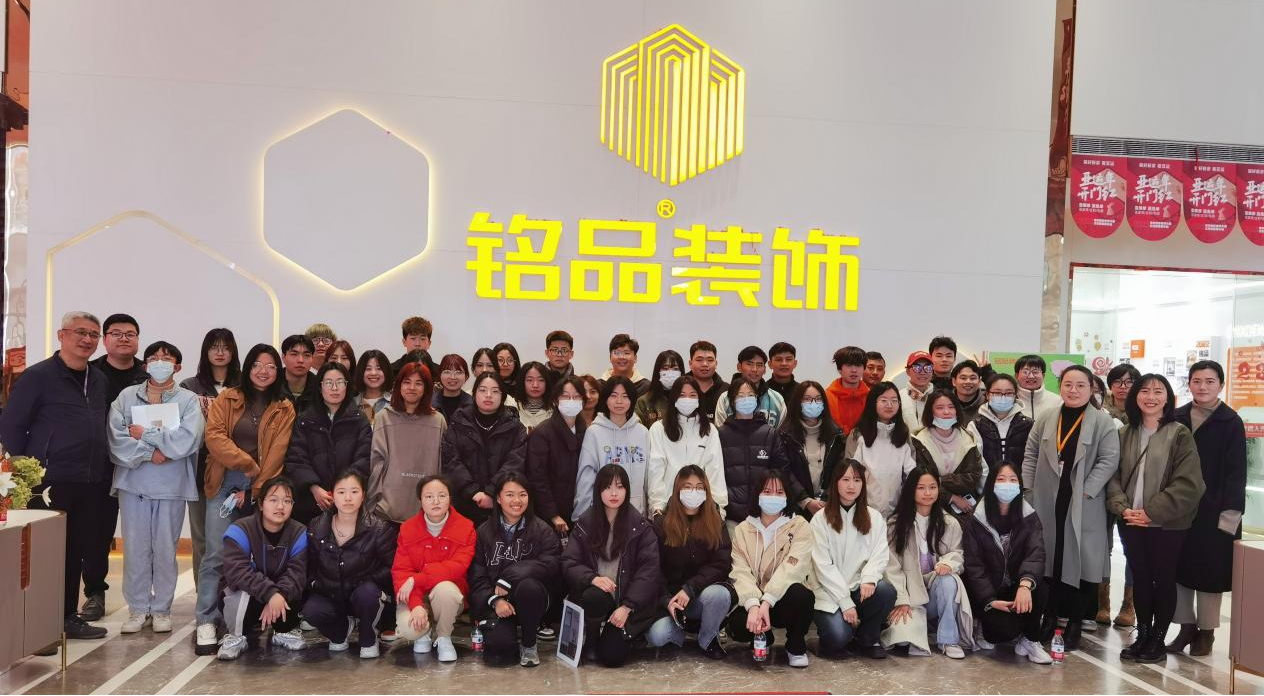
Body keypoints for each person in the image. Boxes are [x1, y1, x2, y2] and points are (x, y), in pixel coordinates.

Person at [0, 311, 111, 639]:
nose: (87, 339)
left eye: (93, 334)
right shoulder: (38, 376)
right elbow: (12, 425)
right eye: (80, 332)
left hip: (89, 480)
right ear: (62, 335)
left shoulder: (99, 379)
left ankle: (66, 618)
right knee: (43, 553)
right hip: (47, 482)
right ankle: (38, 624)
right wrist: (28, 469)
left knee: (74, 551)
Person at [194, 344, 296, 655]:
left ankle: (245, 617)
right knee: (215, 552)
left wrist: (255, 491)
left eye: (271, 366)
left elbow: (277, 454)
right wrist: (246, 464)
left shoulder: (284, 407)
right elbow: (214, 438)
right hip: (224, 481)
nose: (263, 371)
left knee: (257, 555)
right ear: (248, 367)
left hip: (263, 486)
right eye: (257, 365)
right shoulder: (227, 398)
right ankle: (206, 620)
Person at [107, 341, 205, 634]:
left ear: (177, 366)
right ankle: (138, 609)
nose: (160, 362)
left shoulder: (188, 400)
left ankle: (162, 609)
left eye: (167, 358)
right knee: (135, 548)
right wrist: (151, 452)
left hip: (171, 485)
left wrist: (147, 435)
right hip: (133, 483)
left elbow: (188, 439)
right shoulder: (126, 397)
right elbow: (117, 438)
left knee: (165, 548)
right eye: (153, 358)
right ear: (145, 364)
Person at [1107, 374, 1204, 663]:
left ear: (1167, 398)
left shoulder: (1180, 434)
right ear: (1135, 396)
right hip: (1131, 520)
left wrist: (1151, 512)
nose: (1151, 397)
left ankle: (1158, 640)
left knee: (1163, 579)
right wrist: (1123, 508)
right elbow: (1112, 476)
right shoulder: (1125, 433)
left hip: (1167, 524)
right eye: (1145, 391)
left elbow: (1189, 483)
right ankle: (1144, 635)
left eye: (1158, 391)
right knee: (1140, 578)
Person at [1021, 364, 1119, 651]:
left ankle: (1076, 621)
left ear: (1091, 389)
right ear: (1060, 386)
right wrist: (1029, 490)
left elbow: (1109, 459)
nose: (1073, 390)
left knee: (1084, 562)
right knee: (1051, 560)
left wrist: (1087, 490)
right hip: (1048, 499)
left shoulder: (1102, 421)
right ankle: (1050, 616)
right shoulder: (1047, 417)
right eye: (1068, 385)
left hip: (1085, 503)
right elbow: (1031, 453)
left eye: (1080, 385)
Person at [1168, 360, 1246, 656]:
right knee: (1179, 568)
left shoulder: (1230, 421)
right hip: (1178, 507)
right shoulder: (1176, 417)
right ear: (1189, 383)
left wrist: (1229, 517)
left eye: (1210, 381)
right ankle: (1185, 626)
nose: (1203, 387)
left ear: (1221, 385)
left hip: (1215, 511)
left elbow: (1237, 473)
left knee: (1211, 572)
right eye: (1197, 381)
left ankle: (1207, 631)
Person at [84, 312, 149, 622]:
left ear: (137, 339)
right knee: (97, 531)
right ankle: (95, 592)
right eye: (117, 333)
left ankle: (147, 596)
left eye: (130, 334)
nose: (124, 338)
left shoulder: (150, 374)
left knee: (145, 533)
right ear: (105, 339)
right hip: (100, 464)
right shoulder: (89, 372)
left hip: (141, 465)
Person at [563, 464, 660, 667]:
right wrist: (592, 578)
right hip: (597, 597)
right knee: (593, 596)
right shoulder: (585, 523)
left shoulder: (641, 527)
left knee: (612, 658)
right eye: (607, 487)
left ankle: (627, 637)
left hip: (627, 603)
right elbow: (569, 562)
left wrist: (627, 607)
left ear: (627, 490)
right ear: (598, 491)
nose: (614, 493)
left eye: (620, 487)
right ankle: (591, 640)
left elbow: (648, 573)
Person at [960, 463, 1052, 664]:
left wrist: (1025, 585)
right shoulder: (976, 519)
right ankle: (986, 627)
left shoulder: (1029, 516)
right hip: (989, 592)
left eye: (1013, 480)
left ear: (1019, 485)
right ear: (991, 484)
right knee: (1002, 632)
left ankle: (1030, 640)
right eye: (1001, 479)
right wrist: (989, 600)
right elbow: (974, 566)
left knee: (1041, 587)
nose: (1007, 484)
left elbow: (1036, 554)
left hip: (1015, 586)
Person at [468, 470, 561, 668]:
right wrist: (495, 600)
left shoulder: (542, 530)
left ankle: (529, 643)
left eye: (522, 494)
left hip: (531, 599)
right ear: (498, 499)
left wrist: (510, 576)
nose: (517, 500)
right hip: (498, 602)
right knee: (499, 651)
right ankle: (505, 633)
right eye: (510, 494)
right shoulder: (483, 532)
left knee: (529, 587)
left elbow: (552, 563)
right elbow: (477, 575)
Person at [214, 475, 309, 661]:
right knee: (237, 591)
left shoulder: (300, 532)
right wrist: (270, 594)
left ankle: (284, 630)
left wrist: (278, 595)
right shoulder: (240, 529)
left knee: (297, 587)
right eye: (273, 500)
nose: (280, 506)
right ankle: (235, 635)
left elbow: (297, 573)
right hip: (249, 599)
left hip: (280, 600)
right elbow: (238, 573)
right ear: (260, 504)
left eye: (287, 501)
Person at [881, 467, 974, 659]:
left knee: (949, 580)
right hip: (909, 596)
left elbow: (958, 553)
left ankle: (948, 640)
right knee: (903, 641)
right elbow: (891, 567)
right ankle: (922, 628)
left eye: (932, 487)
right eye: (921, 488)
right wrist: (901, 600)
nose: (928, 493)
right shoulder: (895, 525)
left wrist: (948, 564)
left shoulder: (950, 523)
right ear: (911, 490)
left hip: (935, 592)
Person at [303, 470, 396, 658]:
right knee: (311, 611)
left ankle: (369, 637)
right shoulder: (316, 526)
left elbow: (391, 567)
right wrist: (315, 583)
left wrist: (366, 580)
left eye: (354, 491)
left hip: (363, 595)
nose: (348, 498)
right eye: (341, 492)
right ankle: (341, 631)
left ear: (363, 495)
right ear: (332, 495)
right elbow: (309, 565)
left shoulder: (379, 529)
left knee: (368, 594)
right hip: (330, 593)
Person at [729, 469, 817, 666]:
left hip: (781, 599)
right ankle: (763, 637)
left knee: (802, 596)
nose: (773, 497)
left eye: (779, 492)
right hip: (755, 597)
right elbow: (740, 571)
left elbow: (793, 568)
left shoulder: (799, 525)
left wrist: (767, 601)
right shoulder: (742, 529)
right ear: (757, 494)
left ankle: (795, 645)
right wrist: (754, 604)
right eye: (767, 491)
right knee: (737, 625)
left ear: (787, 496)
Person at [810, 461, 896, 661]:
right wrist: (844, 601)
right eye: (846, 479)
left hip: (859, 588)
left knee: (885, 591)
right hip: (829, 593)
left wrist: (869, 579)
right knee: (838, 637)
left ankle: (868, 639)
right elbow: (822, 566)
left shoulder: (874, 517)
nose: (851, 486)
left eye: (857, 480)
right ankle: (838, 634)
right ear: (836, 483)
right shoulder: (820, 519)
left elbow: (879, 554)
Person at [645, 466, 734, 658]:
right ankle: (679, 632)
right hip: (672, 603)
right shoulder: (662, 523)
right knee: (657, 636)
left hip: (701, 597)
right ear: (678, 489)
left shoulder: (715, 521)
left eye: (699, 487)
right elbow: (653, 569)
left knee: (720, 594)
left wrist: (691, 588)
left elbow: (722, 562)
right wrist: (666, 600)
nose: (694, 492)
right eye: (687, 487)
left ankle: (708, 638)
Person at [180, 328, 241, 593]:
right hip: (199, 472)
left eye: (225, 347)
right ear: (205, 351)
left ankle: (232, 596)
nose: (220, 352)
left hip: (237, 472)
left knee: (235, 538)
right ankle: (204, 597)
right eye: (214, 347)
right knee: (202, 539)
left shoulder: (244, 385)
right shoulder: (189, 387)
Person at [392, 474, 475, 663]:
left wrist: (416, 579)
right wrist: (416, 605)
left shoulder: (466, 528)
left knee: (446, 589)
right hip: (416, 594)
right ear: (420, 500)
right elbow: (401, 572)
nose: (436, 501)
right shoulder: (407, 529)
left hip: (447, 596)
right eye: (429, 496)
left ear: (450, 498)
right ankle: (424, 632)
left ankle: (444, 637)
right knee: (409, 630)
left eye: (442, 495)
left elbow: (456, 568)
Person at [285, 362, 372, 526]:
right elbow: (296, 458)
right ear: (320, 387)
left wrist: (342, 490)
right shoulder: (305, 419)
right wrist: (314, 487)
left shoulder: (359, 420)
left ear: (347, 386)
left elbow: (364, 458)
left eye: (340, 382)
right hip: (310, 502)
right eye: (328, 383)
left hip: (348, 501)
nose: (334, 388)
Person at [441, 372, 529, 525]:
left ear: (503, 396)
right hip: (462, 503)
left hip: (502, 504)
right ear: (474, 394)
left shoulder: (515, 428)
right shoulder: (458, 422)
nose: (488, 395)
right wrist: (473, 492)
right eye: (482, 390)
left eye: (495, 391)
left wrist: (491, 493)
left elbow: (515, 463)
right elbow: (451, 461)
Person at [368, 362, 447, 524]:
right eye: (407, 382)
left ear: (427, 388)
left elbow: (443, 465)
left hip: (427, 512)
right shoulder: (383, 417)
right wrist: (373, 501)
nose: (412, 387)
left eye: (419, 383)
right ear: (398, 385)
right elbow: (376, 462)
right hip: (387, 510)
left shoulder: (438, 421)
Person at [646, 376, 726, 518]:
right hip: (668, 509)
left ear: (699, 399)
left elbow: (715, 470)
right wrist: (657, 508)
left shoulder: (709, 430)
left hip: (702, 507)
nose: (687, 399)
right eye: (682, 395)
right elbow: (655, 470)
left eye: (692, 395)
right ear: (674, 399)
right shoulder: (658, 429)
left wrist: (719, 509)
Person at [719, 377, 792, 530]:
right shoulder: (721, 434)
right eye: (741, 396)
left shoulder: (770, 434)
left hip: (765, 515)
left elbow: (782, 471)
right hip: (731, 516)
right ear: (732, 401)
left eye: (751, 395)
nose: (746, 399)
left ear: (757, 399)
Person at [574, 376, 650, 517]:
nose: (619, 401)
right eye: (613, 396)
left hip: (637, 513)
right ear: (606, 398)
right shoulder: (594, 432)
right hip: (603, 513)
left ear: (632, 399)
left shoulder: (642, 432)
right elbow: (586, 476)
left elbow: (648, 476)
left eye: (625, 396)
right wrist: (582, 515)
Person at [838, 382, 916, 519]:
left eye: (894, 401)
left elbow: (912, 474)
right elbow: (850, 473)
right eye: (884, 400)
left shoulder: (903, 433)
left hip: (897, 513)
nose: (889, 405)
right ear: (872, 403)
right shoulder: (858, 434)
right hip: (863, 511)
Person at [526, 376, 588, 536]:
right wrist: (552, 514)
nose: (571, 401)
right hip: (551, 514)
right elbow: (537, 478)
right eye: (565, 396)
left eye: (576, 397)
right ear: (555, 400)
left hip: (582, 510)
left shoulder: (588, 432)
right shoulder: (542, 433)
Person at [910, 390, 984, 515]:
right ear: (930, 411)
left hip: (964, 505)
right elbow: (920, 480)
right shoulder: (919, 441)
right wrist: (951, 497)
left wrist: (940, 481)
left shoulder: (968, 438)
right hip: (928, 505)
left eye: (951, 407)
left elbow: (973, 476)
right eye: (940, 408)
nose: (946, 412)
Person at [780, 380, 841, 518]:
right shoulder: (785, 435)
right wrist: (805, 500)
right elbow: (784, 470)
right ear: (798, 402)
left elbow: (839, 470)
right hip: (795, 508)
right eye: (807, 399)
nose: (813, 403)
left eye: (818, 399)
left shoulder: (835, 435)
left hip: (828, 507)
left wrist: (826, 498)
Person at [974, 374, 1033, 478]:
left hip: (1020, 484)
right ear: (987, 395)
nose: (1003, 397)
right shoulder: (975, 425)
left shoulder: (1029, 425)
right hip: (986, 484)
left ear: (1015, 395)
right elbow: (976, 462)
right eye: (997, 393)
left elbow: (1032, 460)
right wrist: (987, 485)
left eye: (1009, 393)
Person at [715, 346, 787, 427]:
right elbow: (721, 431)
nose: (754, 369)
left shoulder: (777, 399)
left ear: (764, 369)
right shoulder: (725, 398)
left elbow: (781, 431)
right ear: (739, 367)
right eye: (749, 364)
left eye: (759, 365)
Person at [633, 349, 685, 428]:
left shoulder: (688, 399)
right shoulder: (643, 402)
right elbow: (638, 430)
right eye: (665, 368)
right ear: (658, 371)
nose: (670, 373)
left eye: (675, 369)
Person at [825, 346, 869, 434]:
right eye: (849, 365)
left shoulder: (871, 396)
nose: (854, 370)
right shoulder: (826, 396)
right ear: (839, 369)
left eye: (858, 365)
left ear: (864, 368)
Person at [686, 341, 728, 422]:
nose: (705, 364)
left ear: (716, 363)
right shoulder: (679, 388)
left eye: (710, 360)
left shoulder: (727, 390)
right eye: (699, 360)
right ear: (690, 364)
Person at [1014, 355, 1063, 424]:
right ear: (1016, 376)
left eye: (1035, 372)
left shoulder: (1058, 401)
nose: (1031, 376)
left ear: (1043, 376)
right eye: (1025, 372)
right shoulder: (1010, 400)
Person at [510, 361, 555, 431]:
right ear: (522, 382)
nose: (535, 385)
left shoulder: (556, 410)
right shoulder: (512, 407)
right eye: (529, 380)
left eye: (541, 380)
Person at [353, 349, 394, 425]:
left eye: (379, 368)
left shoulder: (395, 403)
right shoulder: (351, 405)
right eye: (368, 369)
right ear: (361, 372)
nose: (374, 373)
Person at [279, 334, 318, 413]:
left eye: (306, 355)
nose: (300, 360)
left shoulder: (320, 388)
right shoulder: (271, 385)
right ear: (283, 357)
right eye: (294, 354)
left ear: (312, 358)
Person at [433, 353, 473, 424]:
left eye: (458, 372)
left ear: (466, 376)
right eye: (447, 372)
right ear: (440, 375)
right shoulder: (429, 403)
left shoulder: (472, 404)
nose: (452, 377)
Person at [901, 351, 935, 434]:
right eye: (917, 368)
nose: (922, 372)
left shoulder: (940, 397)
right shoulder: (898, 397)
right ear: (908, 371)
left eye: (928, 368)